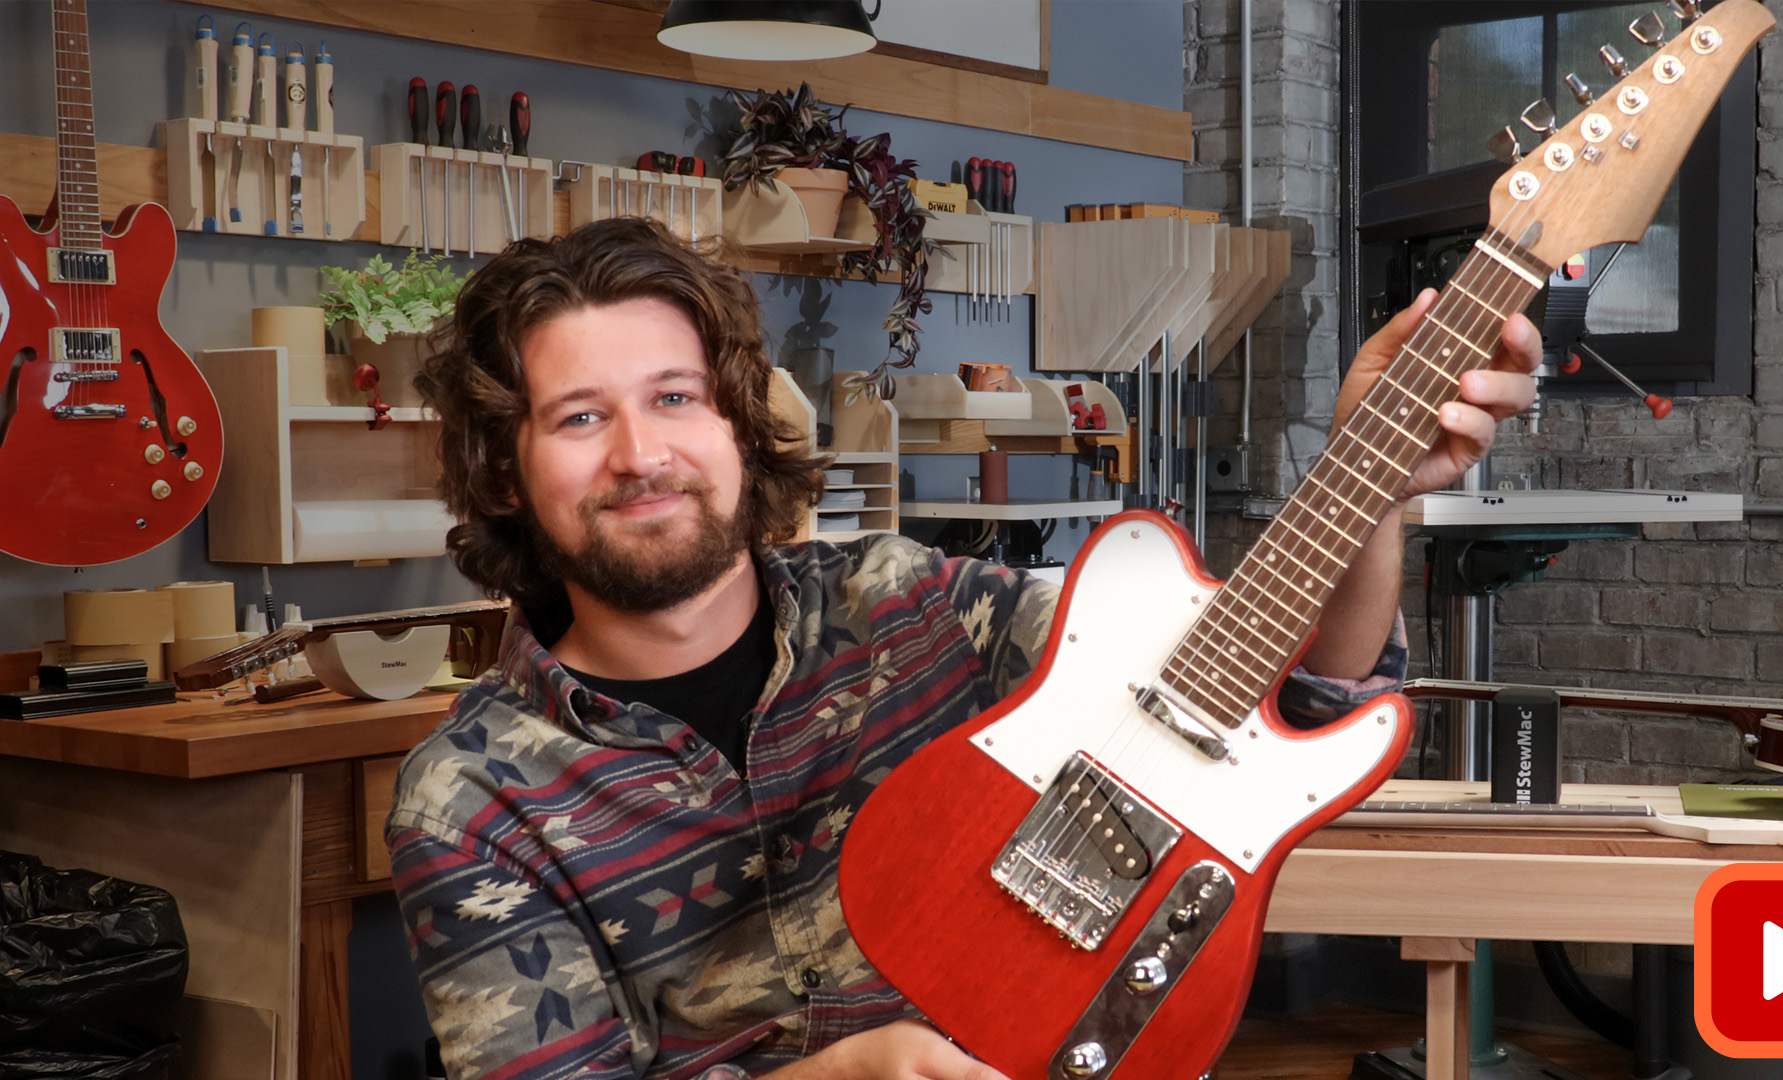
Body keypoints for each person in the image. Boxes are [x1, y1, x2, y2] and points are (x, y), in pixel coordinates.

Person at [386, 216, 1540, 1080]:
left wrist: (1372, 480)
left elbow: (1281, 697)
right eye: (581, 417)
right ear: (505, 468)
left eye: (676, 397)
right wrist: (838, 1075)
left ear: (738, 422)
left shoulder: (909, 605)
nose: (642, 454)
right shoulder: (471, 802)